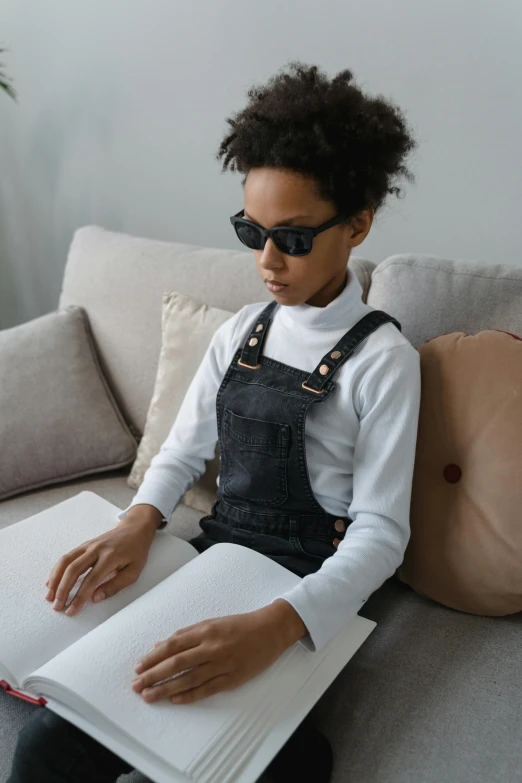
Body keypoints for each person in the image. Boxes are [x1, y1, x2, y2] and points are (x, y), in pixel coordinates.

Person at [7, 60, 421, 783]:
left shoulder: (384, 360)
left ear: (358, 223)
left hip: (304, 585)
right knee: (48, 745)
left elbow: (382, 534)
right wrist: (140, 520)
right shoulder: (242, 331)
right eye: (249, 230)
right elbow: (182, 448)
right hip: (211, 557)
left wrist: (278, 625)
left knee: (266, 760)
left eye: (291, 238)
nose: (265, 261)